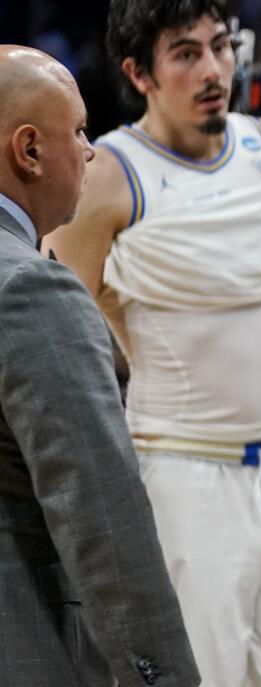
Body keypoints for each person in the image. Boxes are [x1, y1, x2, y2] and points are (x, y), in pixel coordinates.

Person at [46, 0, 261, 686]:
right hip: (182, 476)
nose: (214, 69)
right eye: (185, 53)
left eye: (220, 46)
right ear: (139, 73)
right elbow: (65, 327)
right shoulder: (108, 172)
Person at [0, 45, 199, 687]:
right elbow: (102, 519)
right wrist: (162, 677)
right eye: (80, 130)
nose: (91, 151)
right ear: (28, 150)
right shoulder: (32, 290)